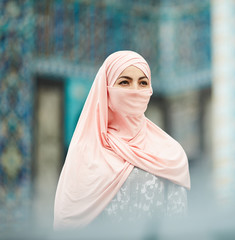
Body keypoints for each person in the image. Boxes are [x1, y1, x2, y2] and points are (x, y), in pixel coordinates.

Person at [53, 51, 191, 230]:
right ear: (106, 90)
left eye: (143, 83)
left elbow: (178, 225)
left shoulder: (170, 152)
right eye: (124, 82)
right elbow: (68, 221)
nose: (135, 90)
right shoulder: (85, 151)